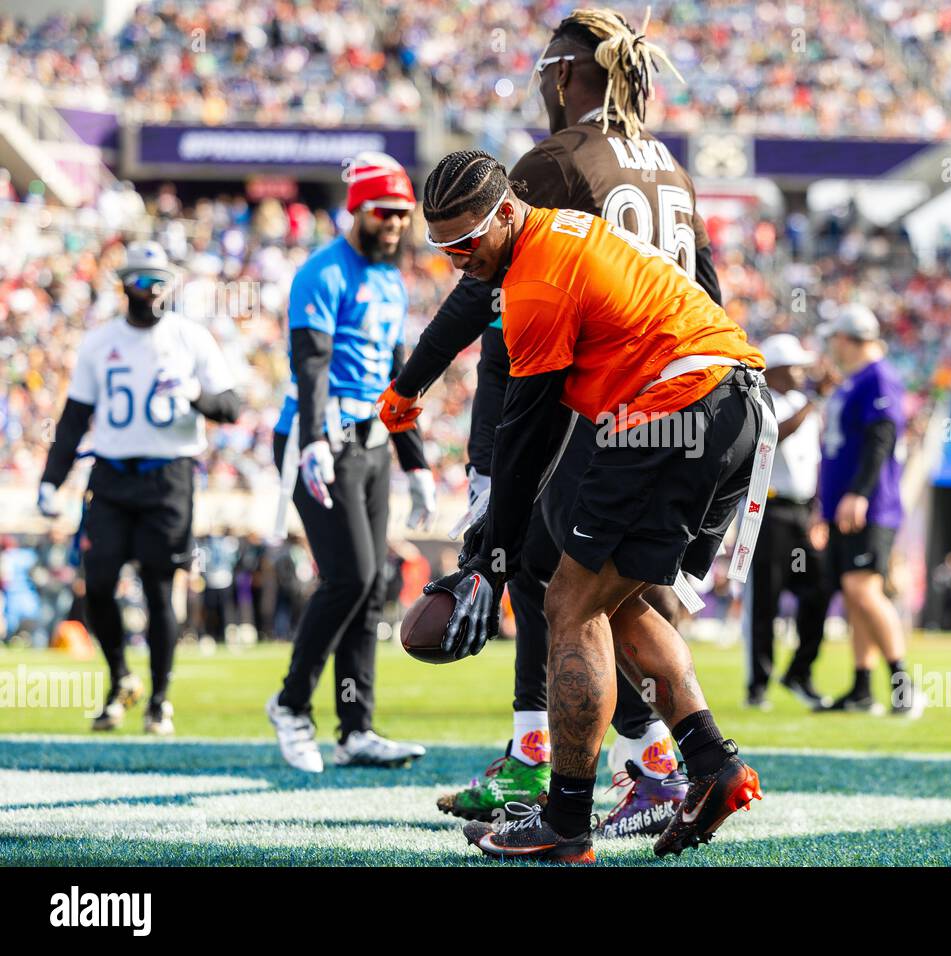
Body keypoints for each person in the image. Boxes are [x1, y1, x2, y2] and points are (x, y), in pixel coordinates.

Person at [378, 9, 720, 838]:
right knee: (606, 592)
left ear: (566, 75)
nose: (538, 86)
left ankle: (601, 773)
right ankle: (662, 760)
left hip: (584, 397)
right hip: (678, 393)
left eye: (542, 72)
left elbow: (489, 286)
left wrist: (414, 384)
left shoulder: (557, 161)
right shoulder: (665, 165)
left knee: (551, 584)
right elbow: (704, 282)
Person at [418, 148, 769, 863]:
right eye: (442, 247)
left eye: (466, 241)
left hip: (676, 403)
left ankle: (566, 821)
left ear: (507, 212)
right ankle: (713, 763)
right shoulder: (561, 234)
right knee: (615, 598)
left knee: (568, 604)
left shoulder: (536, 282)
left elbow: (531, 426)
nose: (457, 258)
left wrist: (491, 553)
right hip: (732, 403)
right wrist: (500, 542)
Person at [265, 152, 433, 773]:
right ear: (356, 210)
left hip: (369, 443)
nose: (393, 223)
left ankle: (354, 726)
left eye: (401, 213)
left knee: (371, 589)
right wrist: (311, 440)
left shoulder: (390, 278)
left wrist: (415, 461)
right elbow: (310, 364)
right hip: (319, 439)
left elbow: (396, 376)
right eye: (383, 212)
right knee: (350, 577)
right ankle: (290, 704)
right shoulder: (322, 272)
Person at [37, 241, 241, 734]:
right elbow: (74, 419)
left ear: (170, 286)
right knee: (99, 582)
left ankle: (160, 699)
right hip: (109, 475)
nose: (148, 292)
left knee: (157, 587)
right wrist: (50, 479)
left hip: (169, 476)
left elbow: (230, 407)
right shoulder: (98, 342)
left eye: (157, 282)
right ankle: (121, 678)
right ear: (122, 284)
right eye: (138, 282)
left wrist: (194, 394)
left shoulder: (190, 338)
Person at [816, 305, 922, 716]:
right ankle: (862, 687)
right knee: (853, 593)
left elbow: (882, 436)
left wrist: (859, 492)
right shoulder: (855, 380)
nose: (831, 347)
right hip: (848, 504)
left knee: (863, 589)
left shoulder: (878, 376)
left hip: (871, 505)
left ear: (848, 338)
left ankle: (902, 683)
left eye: (834, 339)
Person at [742, 333, 833, 711]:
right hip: (768, 510)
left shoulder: (801, 403)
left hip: (799, 511)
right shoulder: (760, 401)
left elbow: (812, 462)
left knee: (818, 591)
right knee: (766, 598)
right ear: (777, 369)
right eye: (795, 366)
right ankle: (758, 684)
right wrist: (814, 401)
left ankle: (799, 671)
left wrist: (818, 509)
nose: (802, 372)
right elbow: (776, 435)